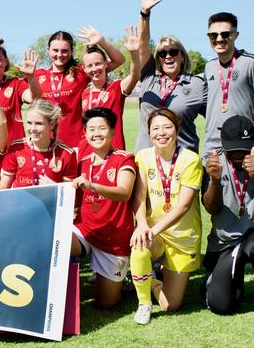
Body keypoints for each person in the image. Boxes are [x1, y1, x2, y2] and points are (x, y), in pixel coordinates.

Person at [130, 109, 202, 324]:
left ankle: (149, 278)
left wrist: (152, 230)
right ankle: (144, 303)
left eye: (167, 127)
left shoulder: (191, 159)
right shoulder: (143, 157)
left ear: (177, 130)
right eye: (155, 128)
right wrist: (142, 225)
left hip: (182, 237)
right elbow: (139, 197)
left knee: (170, 305)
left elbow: (183, 206)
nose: (161, 133)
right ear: (149, 132)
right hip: (155, 235)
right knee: (140, 245)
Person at [70, 107, 136, 308]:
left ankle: (125, 280)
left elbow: (124, 192)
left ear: (113, 131)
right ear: (85, 133)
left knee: (106, 304)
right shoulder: (81, 162)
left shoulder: (124, 158)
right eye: (91, 129)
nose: (96, 133)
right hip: (86, 230)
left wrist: (93, 186)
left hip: (113, 238)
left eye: (101, 128)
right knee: (56, 241)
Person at [134, 0, 206, 153]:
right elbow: (143, 44)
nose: (168, 56)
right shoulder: (149, 78)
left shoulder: (197, 85)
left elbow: (217, 117)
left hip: (182, 164)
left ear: (182, 56)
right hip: (146, 163)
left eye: (173, 52)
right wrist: (145, 14)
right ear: (157, 59)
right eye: (162, 53)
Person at [34, 28, 125, 149]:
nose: (59, 55)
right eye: (55, 50)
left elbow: (119, 60)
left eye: (65, 51)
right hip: (47, 142)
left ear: (71, 51)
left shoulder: (80, 72)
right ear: (48, 50)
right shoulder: (37, 75)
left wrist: (102, 41)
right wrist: (29, 76)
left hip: (76, 145)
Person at [203, 115, 254, 314]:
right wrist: (215, 181)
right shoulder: (214, 162)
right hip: (224, 244)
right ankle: (233, 273)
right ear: (223, 145)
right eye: (234, 149)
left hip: (252, 238)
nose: (240, 154)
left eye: (245, 147)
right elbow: (211, 208)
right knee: (221, 305)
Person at [78, 25, 142, 156]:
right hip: (88, 155)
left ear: (106, 63)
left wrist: (134, 54)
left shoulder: (117, 87)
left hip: (114, 154)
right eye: (89, 66)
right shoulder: (84, 93)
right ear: (84, 69)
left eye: (98, 64)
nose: (94, 68)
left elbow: (135, 75)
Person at [203, 12, 254, 160]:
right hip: (212, 146)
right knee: (212, 183)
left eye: (225, 34)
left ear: (235, 35)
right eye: (213, 35)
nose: (219, 39)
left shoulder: (249, 63)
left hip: (242, 144)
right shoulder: (209, 67)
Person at [0, 100, 77, 190]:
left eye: (38, 123)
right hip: (21, 203)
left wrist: (55, 188)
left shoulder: (66, 154)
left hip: (50, 204)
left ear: (52, 124)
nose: (33, 128)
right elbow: (3, 187)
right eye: (29, 123)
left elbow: (69, 195)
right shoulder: (16, 148)